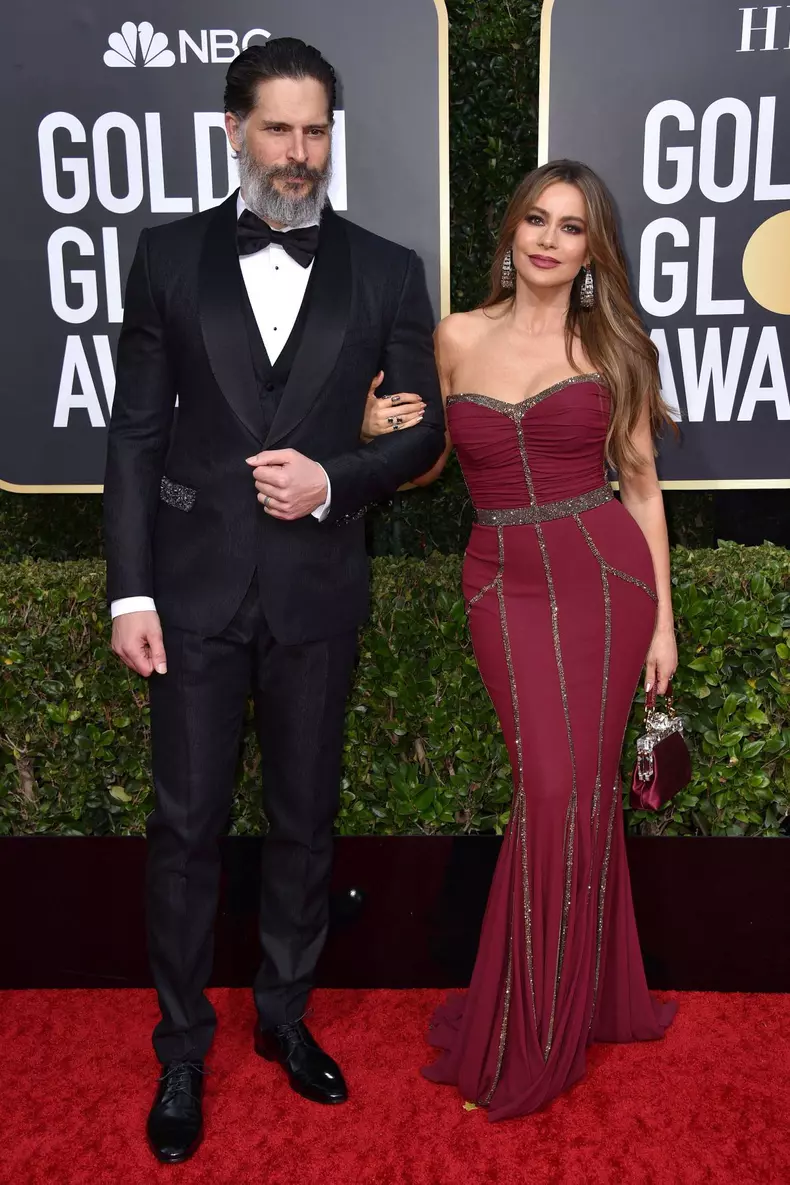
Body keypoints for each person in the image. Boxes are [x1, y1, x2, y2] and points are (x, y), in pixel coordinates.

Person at [103, 38, 444, 1164]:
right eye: (280, 129)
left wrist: (331, 481)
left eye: (317, 131)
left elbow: (422, 431)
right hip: (191, 595)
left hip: (314, 588)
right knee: (185, 830)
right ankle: (183, 1045)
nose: (300, 154)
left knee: (304, 823)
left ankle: (287, 1018)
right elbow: (136, 434)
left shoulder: (389, 269)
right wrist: (130, 590)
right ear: (234, 130)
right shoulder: (163, 258)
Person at [363, 160, 678, 1120]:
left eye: (571, 227)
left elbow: (642, 488)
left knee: (574, 790)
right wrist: (378, 428)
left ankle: (544, 1022)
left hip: (605, 577)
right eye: (534, 218)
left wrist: (665, 617)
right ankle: (562, 999)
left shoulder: (612, 342)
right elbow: (425, 469)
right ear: (510, 230)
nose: (547, 238)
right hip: (501, 580)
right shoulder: (454, 336)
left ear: (593, 249)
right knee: (551, 785)